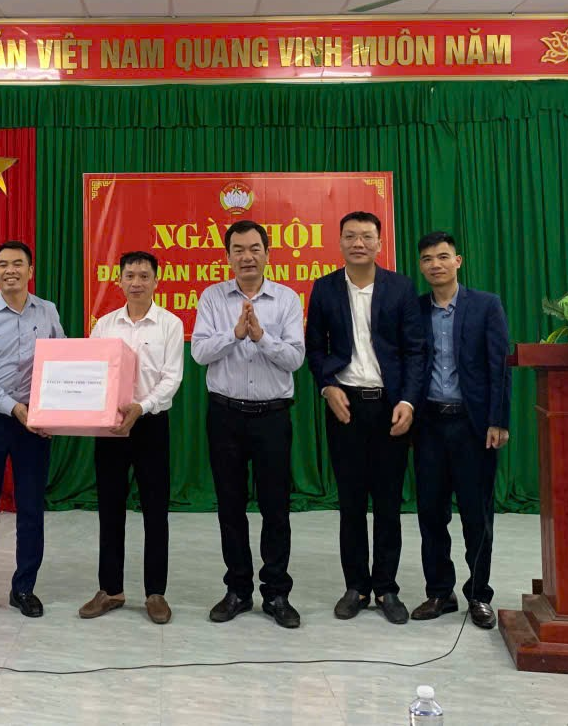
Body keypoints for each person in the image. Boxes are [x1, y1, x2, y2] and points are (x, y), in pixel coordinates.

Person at [306, 211, 425, 625]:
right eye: (351, 236)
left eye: (367, 236)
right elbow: (314, 348)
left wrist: (408, 401)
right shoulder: (324, 288)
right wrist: (327, 386)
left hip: (390, 407)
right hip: (346, 407)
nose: (359, 243)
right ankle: (355, 586)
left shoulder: (401, 287)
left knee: (389, 503)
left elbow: (415, 350)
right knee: (351, 503)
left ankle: (387, 587)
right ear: (339, 241)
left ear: (379, 243)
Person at [191, 219, 306, 629]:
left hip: (273, 417)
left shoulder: (287, 299)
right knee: (230, 507)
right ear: (227, 257)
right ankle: (238, 590)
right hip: (225, 415)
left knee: (276, 509)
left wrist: (261, 337)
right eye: (238, 250)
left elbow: (295, 359)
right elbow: (200, 353)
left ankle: (276, 593)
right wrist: (235, 333)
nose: (247, 257)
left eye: (255, 248)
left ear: (268, 254)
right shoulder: (212, 298)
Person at [0, 241, 65, 621]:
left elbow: (62, 361)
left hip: (34, 421)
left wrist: (54, 412)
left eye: (18, 264)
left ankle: (24, 589)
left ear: (30, 271)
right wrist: (15, 408)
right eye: (3, 264)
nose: (10, 270)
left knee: (31, 508)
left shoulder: (48, 311)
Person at [409, 231, 510, 631]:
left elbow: (499, 365)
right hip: (429, 425)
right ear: (421, 266)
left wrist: (498, 419)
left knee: (476, 515)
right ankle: (440, 592)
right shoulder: (415, 310)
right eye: (427, 259)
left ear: (458, 261)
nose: (435, 264)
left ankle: (479, 594)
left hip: (473, 426)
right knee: (431, 514)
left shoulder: (486, 305)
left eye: (442, 256)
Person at [80, 251, 184, 625]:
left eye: (144, 275)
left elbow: (172, 378)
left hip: (151, 423)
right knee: (110, 508)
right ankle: (111, 590)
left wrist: (141, 406)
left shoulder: (170, 324)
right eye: (130, 275)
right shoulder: (104, 326)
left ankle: (155, 593)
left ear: (157, 280)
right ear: (119, 280)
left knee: (155, 511)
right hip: (110, 427)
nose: (136, 282)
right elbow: (94, 373)